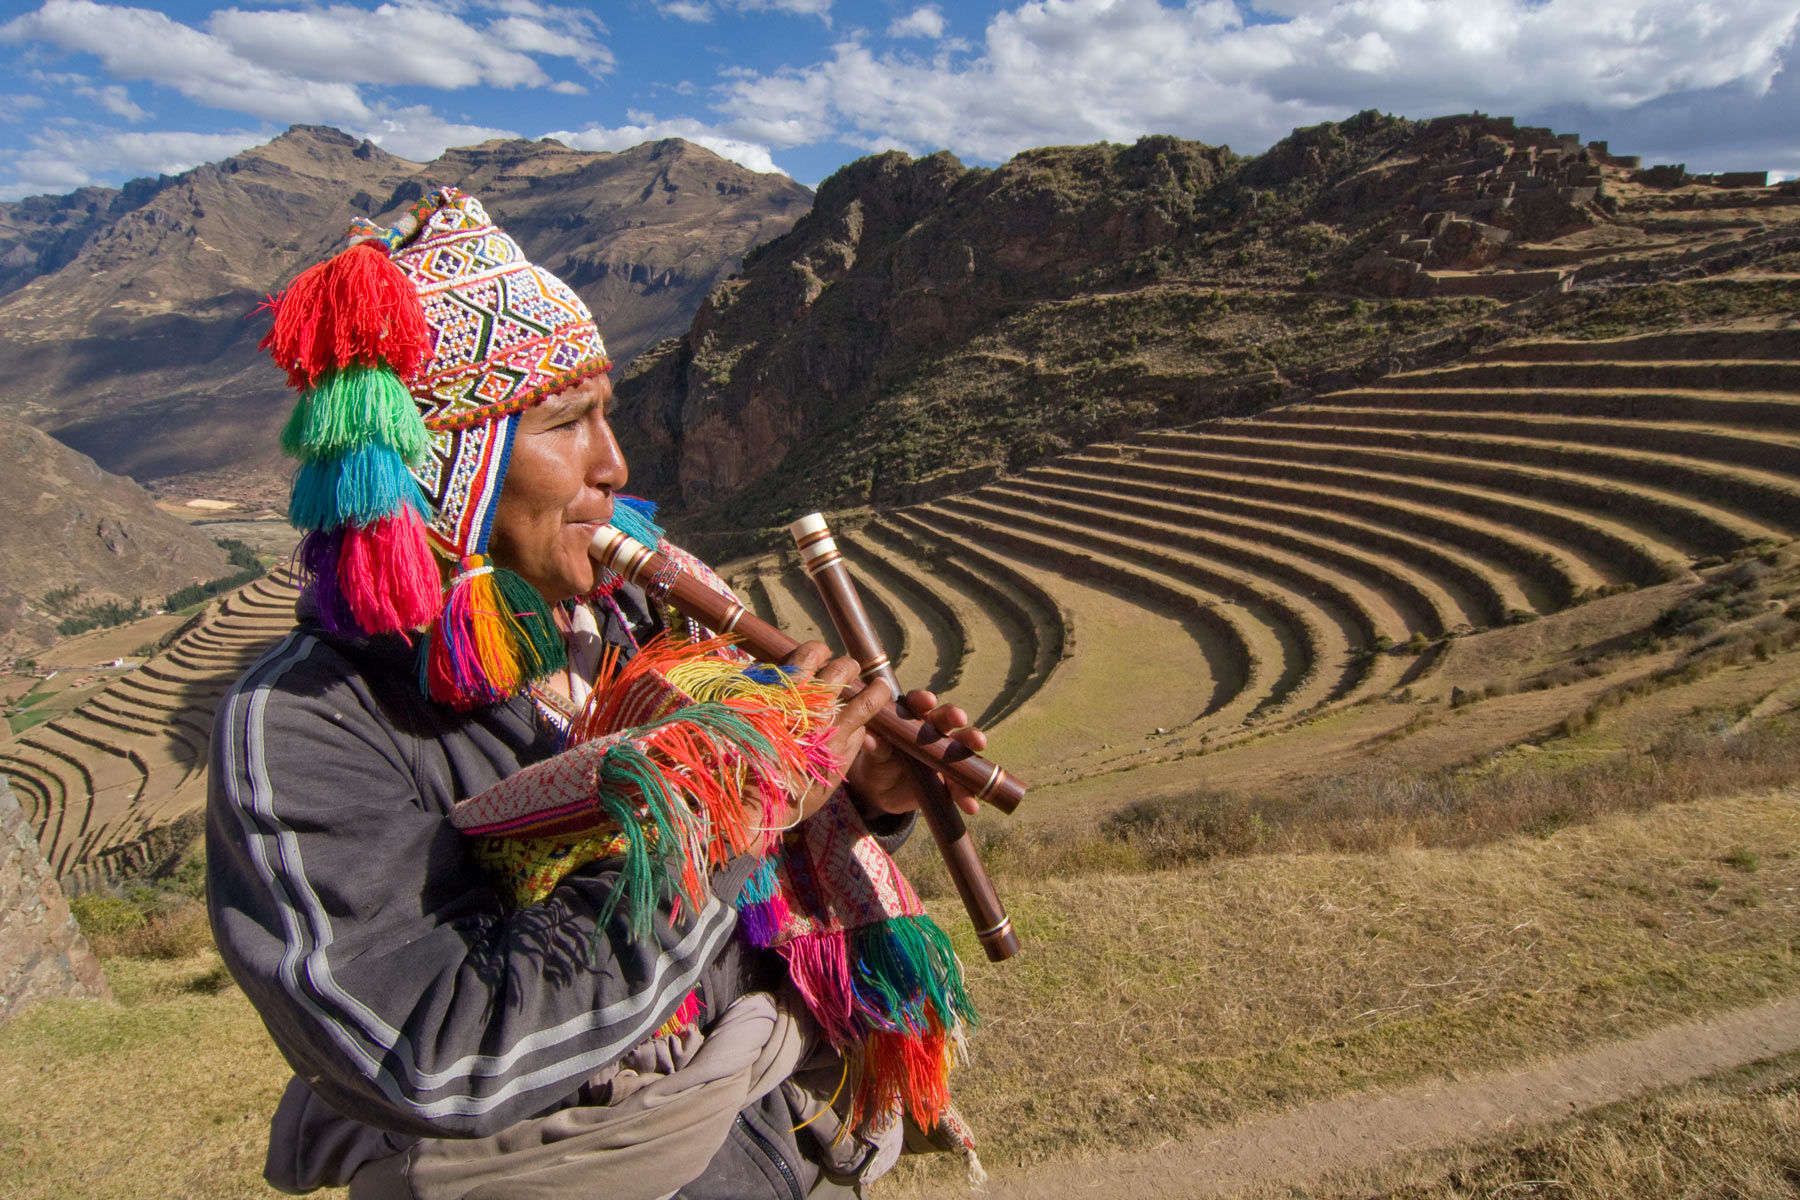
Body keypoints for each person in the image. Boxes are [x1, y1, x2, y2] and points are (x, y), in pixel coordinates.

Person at [206, 188, 987, 1199]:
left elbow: (760, 888)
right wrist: (725, 815)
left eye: (607, 416)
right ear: (455, 473)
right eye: (568, 422)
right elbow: (431, 1053)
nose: (615, 464)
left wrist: (862, 793)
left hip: (749, 1150)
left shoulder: (640, 626)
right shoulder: (308, 723)